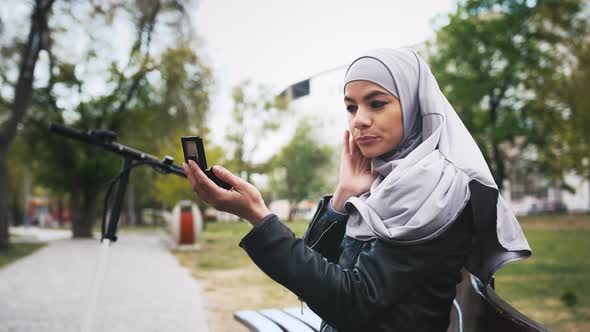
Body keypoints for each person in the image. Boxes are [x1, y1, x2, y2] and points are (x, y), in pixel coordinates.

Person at [183, 48, 532, 332]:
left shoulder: (435, 187)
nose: (358, 119)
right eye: (351, 107)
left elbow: (352, 302)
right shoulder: (390, 180)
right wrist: (342, 197)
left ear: (413, 105)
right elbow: (320, 273)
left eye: (376, 103)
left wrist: (256, 216)